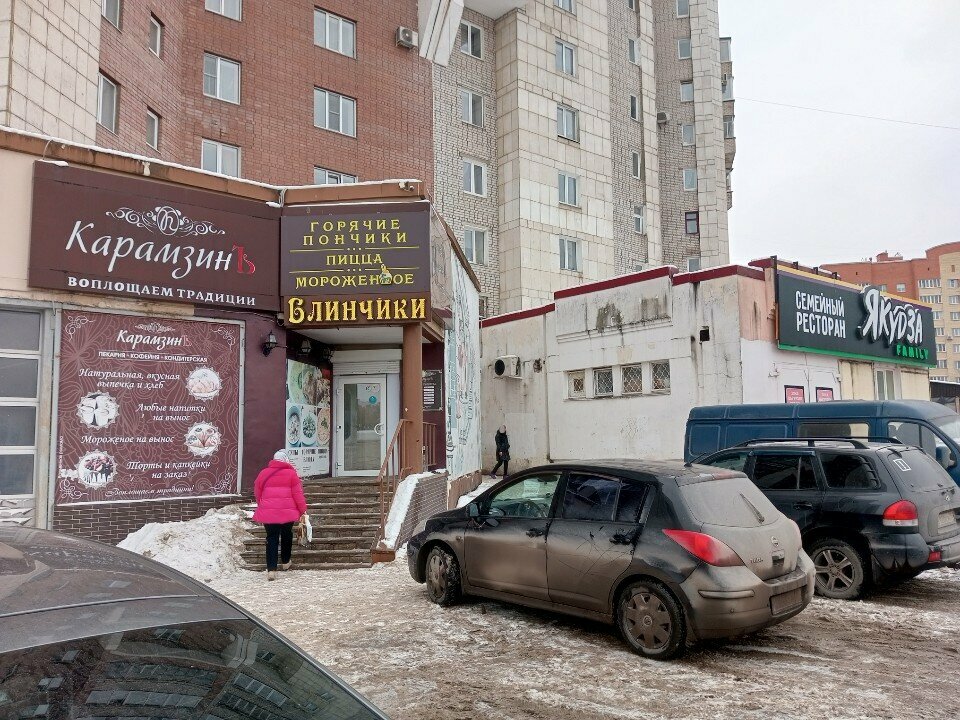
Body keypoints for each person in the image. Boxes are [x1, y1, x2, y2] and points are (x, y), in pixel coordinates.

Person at [252, 450, 307, 581]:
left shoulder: (263, 473)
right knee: (287, 535)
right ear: (286, 460)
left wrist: (263, 504)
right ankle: (286, 561)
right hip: (288, 511)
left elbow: (257, 492)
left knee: (271, 538)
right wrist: (303, 509)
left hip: (269, 512)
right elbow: (298, 494)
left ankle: (271, 570)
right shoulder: (291, 474)